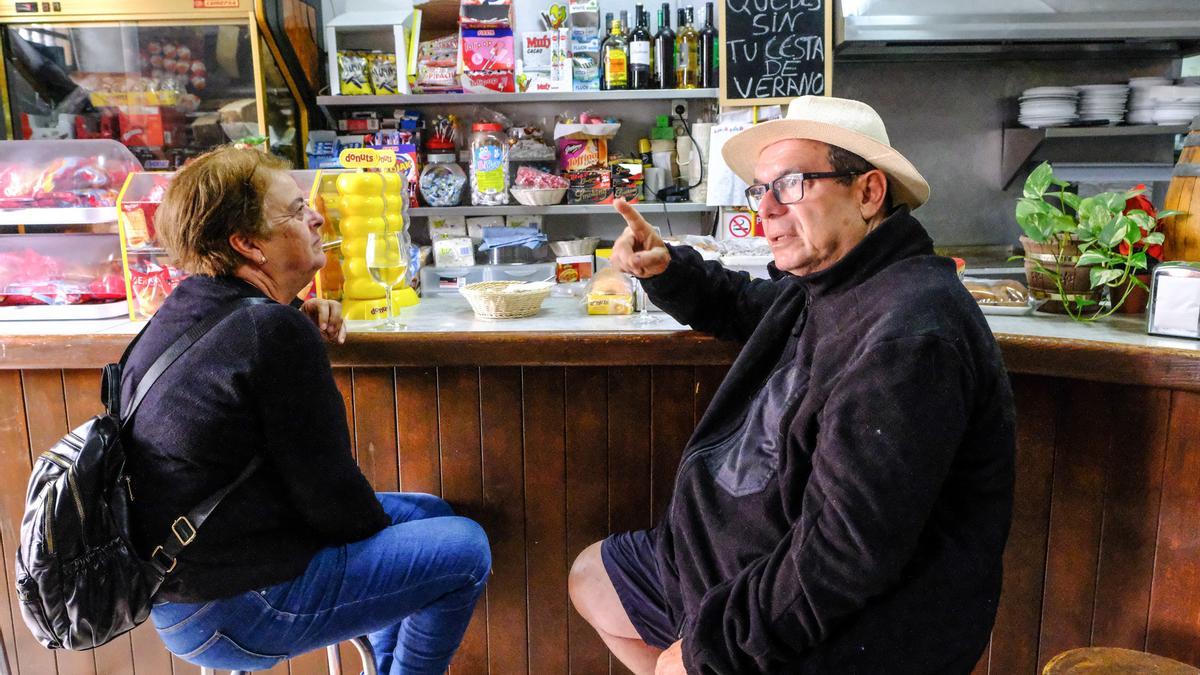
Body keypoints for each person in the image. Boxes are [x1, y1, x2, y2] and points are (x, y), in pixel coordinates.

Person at [569, 96, 1016, 674]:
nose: (767, 212)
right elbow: (747, 306)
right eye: (761, 190)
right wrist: (669, 269)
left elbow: (842, 557)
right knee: (593, 577)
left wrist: (711, 649)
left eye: (793, 184)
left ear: (869, 192)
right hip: (729, 559)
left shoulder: (908, 336)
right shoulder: (834, 282)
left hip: (849, 630)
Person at [124, 146, 490, 675]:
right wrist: (292, 323)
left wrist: (295, 307)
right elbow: (333, 499)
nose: (317, 216)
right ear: (248, 244)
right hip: (239, 609)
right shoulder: (271, 333)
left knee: (430, 515)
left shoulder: (186, 309)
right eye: (295, 211)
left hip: (180, 592)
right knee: (465, 548)